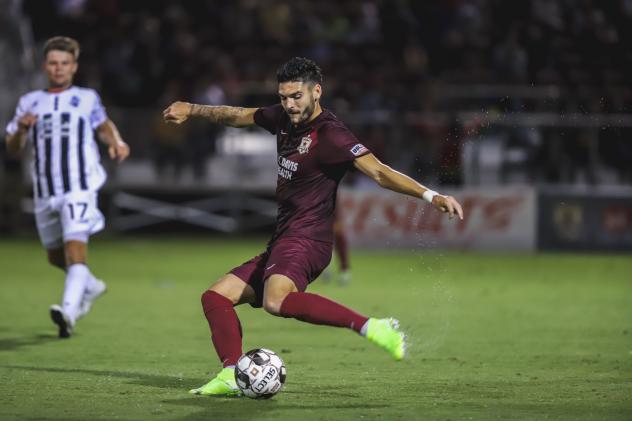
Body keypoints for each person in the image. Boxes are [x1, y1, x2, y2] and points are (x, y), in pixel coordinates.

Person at [163, 57, 463, 396]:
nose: (289, 105)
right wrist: (191, 108)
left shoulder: (331, 135)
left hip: (308, 239)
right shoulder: (282, 118)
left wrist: (430, 195)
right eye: (283, 97)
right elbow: (239, 115)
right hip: (284, 238)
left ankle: (373, 327)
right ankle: (232, 372)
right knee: (216, 297)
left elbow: (379, 171)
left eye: (296, 97)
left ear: (316, 92)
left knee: (277, 301)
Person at [4, 36, 130, 338]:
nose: (58, 68)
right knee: (55, 257)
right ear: (45, 66)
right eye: (53, 63)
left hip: (79, 186)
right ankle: (90, 286)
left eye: (64, 63)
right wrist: (22, 128)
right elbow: (12, 148)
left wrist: (117, 142)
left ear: (73, 67)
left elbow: (103, 125)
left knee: (76, 253)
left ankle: (69, 312)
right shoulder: (29, 101)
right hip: (45, 191)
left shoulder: (86, 97)